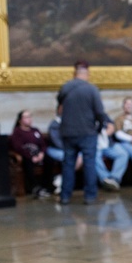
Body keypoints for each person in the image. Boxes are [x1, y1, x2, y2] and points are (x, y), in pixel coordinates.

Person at [57, 61, 109, 205]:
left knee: (68, 164)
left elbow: (59, 107)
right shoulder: (92, 89)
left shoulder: (65, 88)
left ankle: (65, 196)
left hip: (67, 132)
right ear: (86, 74)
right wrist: (99, 127)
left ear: (75, 74)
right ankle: (90, 196)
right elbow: (99, 112)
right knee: (89, 164)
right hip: (87, 132)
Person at [9, 110, 51, 198]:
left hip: (38, 154)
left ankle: (46, 186)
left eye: (30, 116)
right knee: (27, 162)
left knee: (49, 159)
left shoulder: (35, 130)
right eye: (26, 117)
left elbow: (43, 144)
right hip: (26, 155)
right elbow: (18, 147)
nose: (29, 119)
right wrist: (31, 157)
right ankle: (35, 187)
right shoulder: (17, 132)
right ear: (20, 120)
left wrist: (41, 154)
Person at [95, 119, 128, 192]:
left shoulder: (103, 116)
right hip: (94, 145)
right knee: (94, 156)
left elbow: (112, 127)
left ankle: (114, 179)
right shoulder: (86, 117)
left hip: (108, 144)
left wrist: (109, 130)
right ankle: (105, 179)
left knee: (122, 154)